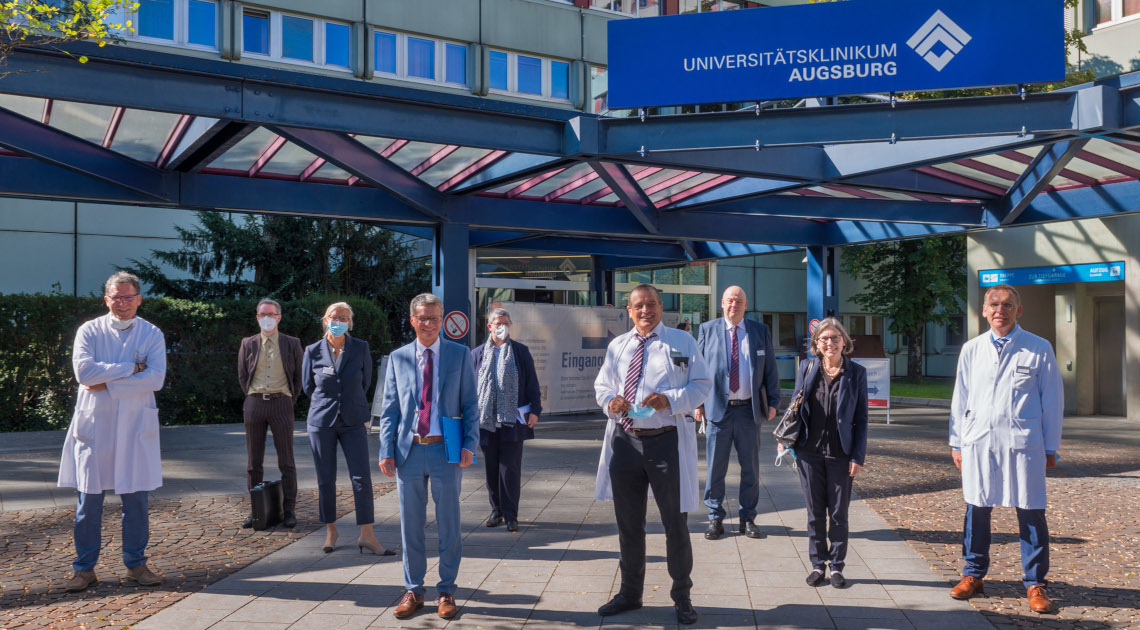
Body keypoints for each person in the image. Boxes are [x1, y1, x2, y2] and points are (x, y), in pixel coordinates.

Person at [593, 284, 711, 625]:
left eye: (652, 305)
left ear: (661, 307)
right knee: (629, 524)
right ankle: (630, 593)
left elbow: (702, 384)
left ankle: (682, 597)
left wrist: (669, 400)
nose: (646, 311)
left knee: (675, 522)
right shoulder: (618, 345)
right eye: (639, 306)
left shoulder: (682, 341)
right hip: (625, 441)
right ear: (628, 311)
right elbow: (603, 385)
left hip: (665, 442)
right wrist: (610, 401)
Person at [947, 284, 1062, 614]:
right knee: (977, 509)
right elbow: (961, 399)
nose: (1000, 309)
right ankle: (973, 575)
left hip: (1023, 444)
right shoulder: (972, 349)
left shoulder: (1038, 349)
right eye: (994, 304)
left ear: (1018, 311)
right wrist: (957, 441)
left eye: (1008, 304)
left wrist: (1050, 446)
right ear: (984, 310)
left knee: (1030, 511)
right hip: (979, 442)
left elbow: (1052, 401)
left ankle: (1035, 583)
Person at [58, 271, 167, 592]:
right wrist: (133, 367)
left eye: (128, 297)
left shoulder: (151, 333)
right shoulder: (88, 331)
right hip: (96, 426)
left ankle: (136, 564)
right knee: (88, 502)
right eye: (116, 298)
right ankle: (84, 568)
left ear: (139, 299)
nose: (122, 303)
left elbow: (156, 379)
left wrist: (104, 381)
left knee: (135, 500)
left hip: (135, 426)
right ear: (106, 300)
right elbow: (83, 372)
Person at [378, 293, 478, 620]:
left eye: (434, 318)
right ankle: (413, 590)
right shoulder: (398, 357)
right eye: (422, 317)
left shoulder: (459, 355)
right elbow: (390, 409)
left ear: (442, 320)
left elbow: (470, 405)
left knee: (449, 523)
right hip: (408, 451)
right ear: (412, 319)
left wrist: (469, 444)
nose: (429, 324)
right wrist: (385, 450)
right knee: (411, 526)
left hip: (445, 450)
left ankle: (446, 590)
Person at [780, 317, 867, 589]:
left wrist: (857, 456)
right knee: (815, 511)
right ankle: (818, 565)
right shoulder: (807, 368)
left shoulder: (856, 373)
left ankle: (837, 567)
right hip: (809, 452)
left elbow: (861, 420)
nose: (830, 343)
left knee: (839, 513)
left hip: (841, 453)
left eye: (835, 338)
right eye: (824, 339)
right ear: (817, 344)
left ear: (844, 341)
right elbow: (794, 405)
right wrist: (786, 439)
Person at [302, 302, 393, 556]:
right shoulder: (312, 351)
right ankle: (331, 531)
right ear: (325, 320)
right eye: (334, 317)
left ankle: (367, 535)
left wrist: (346, 404)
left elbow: (364, 382)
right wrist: (330, 403)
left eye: (343, 318)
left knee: (362, 478)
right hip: (322, 422)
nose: (338, 320)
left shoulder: (360, 347)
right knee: (325, 479)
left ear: (350, 323)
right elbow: (308, 387)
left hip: (353, 419)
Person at [694, 286, 780, 540]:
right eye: (731, 300)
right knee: (714, 470)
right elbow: (697, 371)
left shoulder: (759, 331)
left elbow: (771, 370)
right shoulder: (707, 330)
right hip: (717, 412)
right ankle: (715, 519)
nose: (735, 305)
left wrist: (774, 401)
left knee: (750, 469)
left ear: (746, 304)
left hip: (748, 412)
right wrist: (697, 403)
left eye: (739, 301)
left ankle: (748, 518)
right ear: (722, 302)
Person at [472, 307, 542, 533]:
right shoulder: (477, 354)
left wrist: (535, 410)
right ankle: (496, 511)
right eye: (497, 323)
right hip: (486, 420)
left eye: (505, 323)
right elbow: (469, 388)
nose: (501, 327)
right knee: (491, 467)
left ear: (509, 326)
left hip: (513, 420)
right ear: (489, 326)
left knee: (509, 468)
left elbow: (532, 383)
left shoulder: (520, 352)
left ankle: (511, 514)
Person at [237, 298, 302, 529]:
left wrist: (288, 399)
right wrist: (253, 397)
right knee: (254, 462)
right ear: (257, 318)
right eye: (262, 314)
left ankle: (290, 511)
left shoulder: (292, 343)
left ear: (279, 317)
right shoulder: (248, 343)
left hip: (281, 403)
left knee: (287, 461)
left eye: (271, 314)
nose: (267, 318)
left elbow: (298, 377)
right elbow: (243, 375)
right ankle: (256, 511)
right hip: (254, 403)